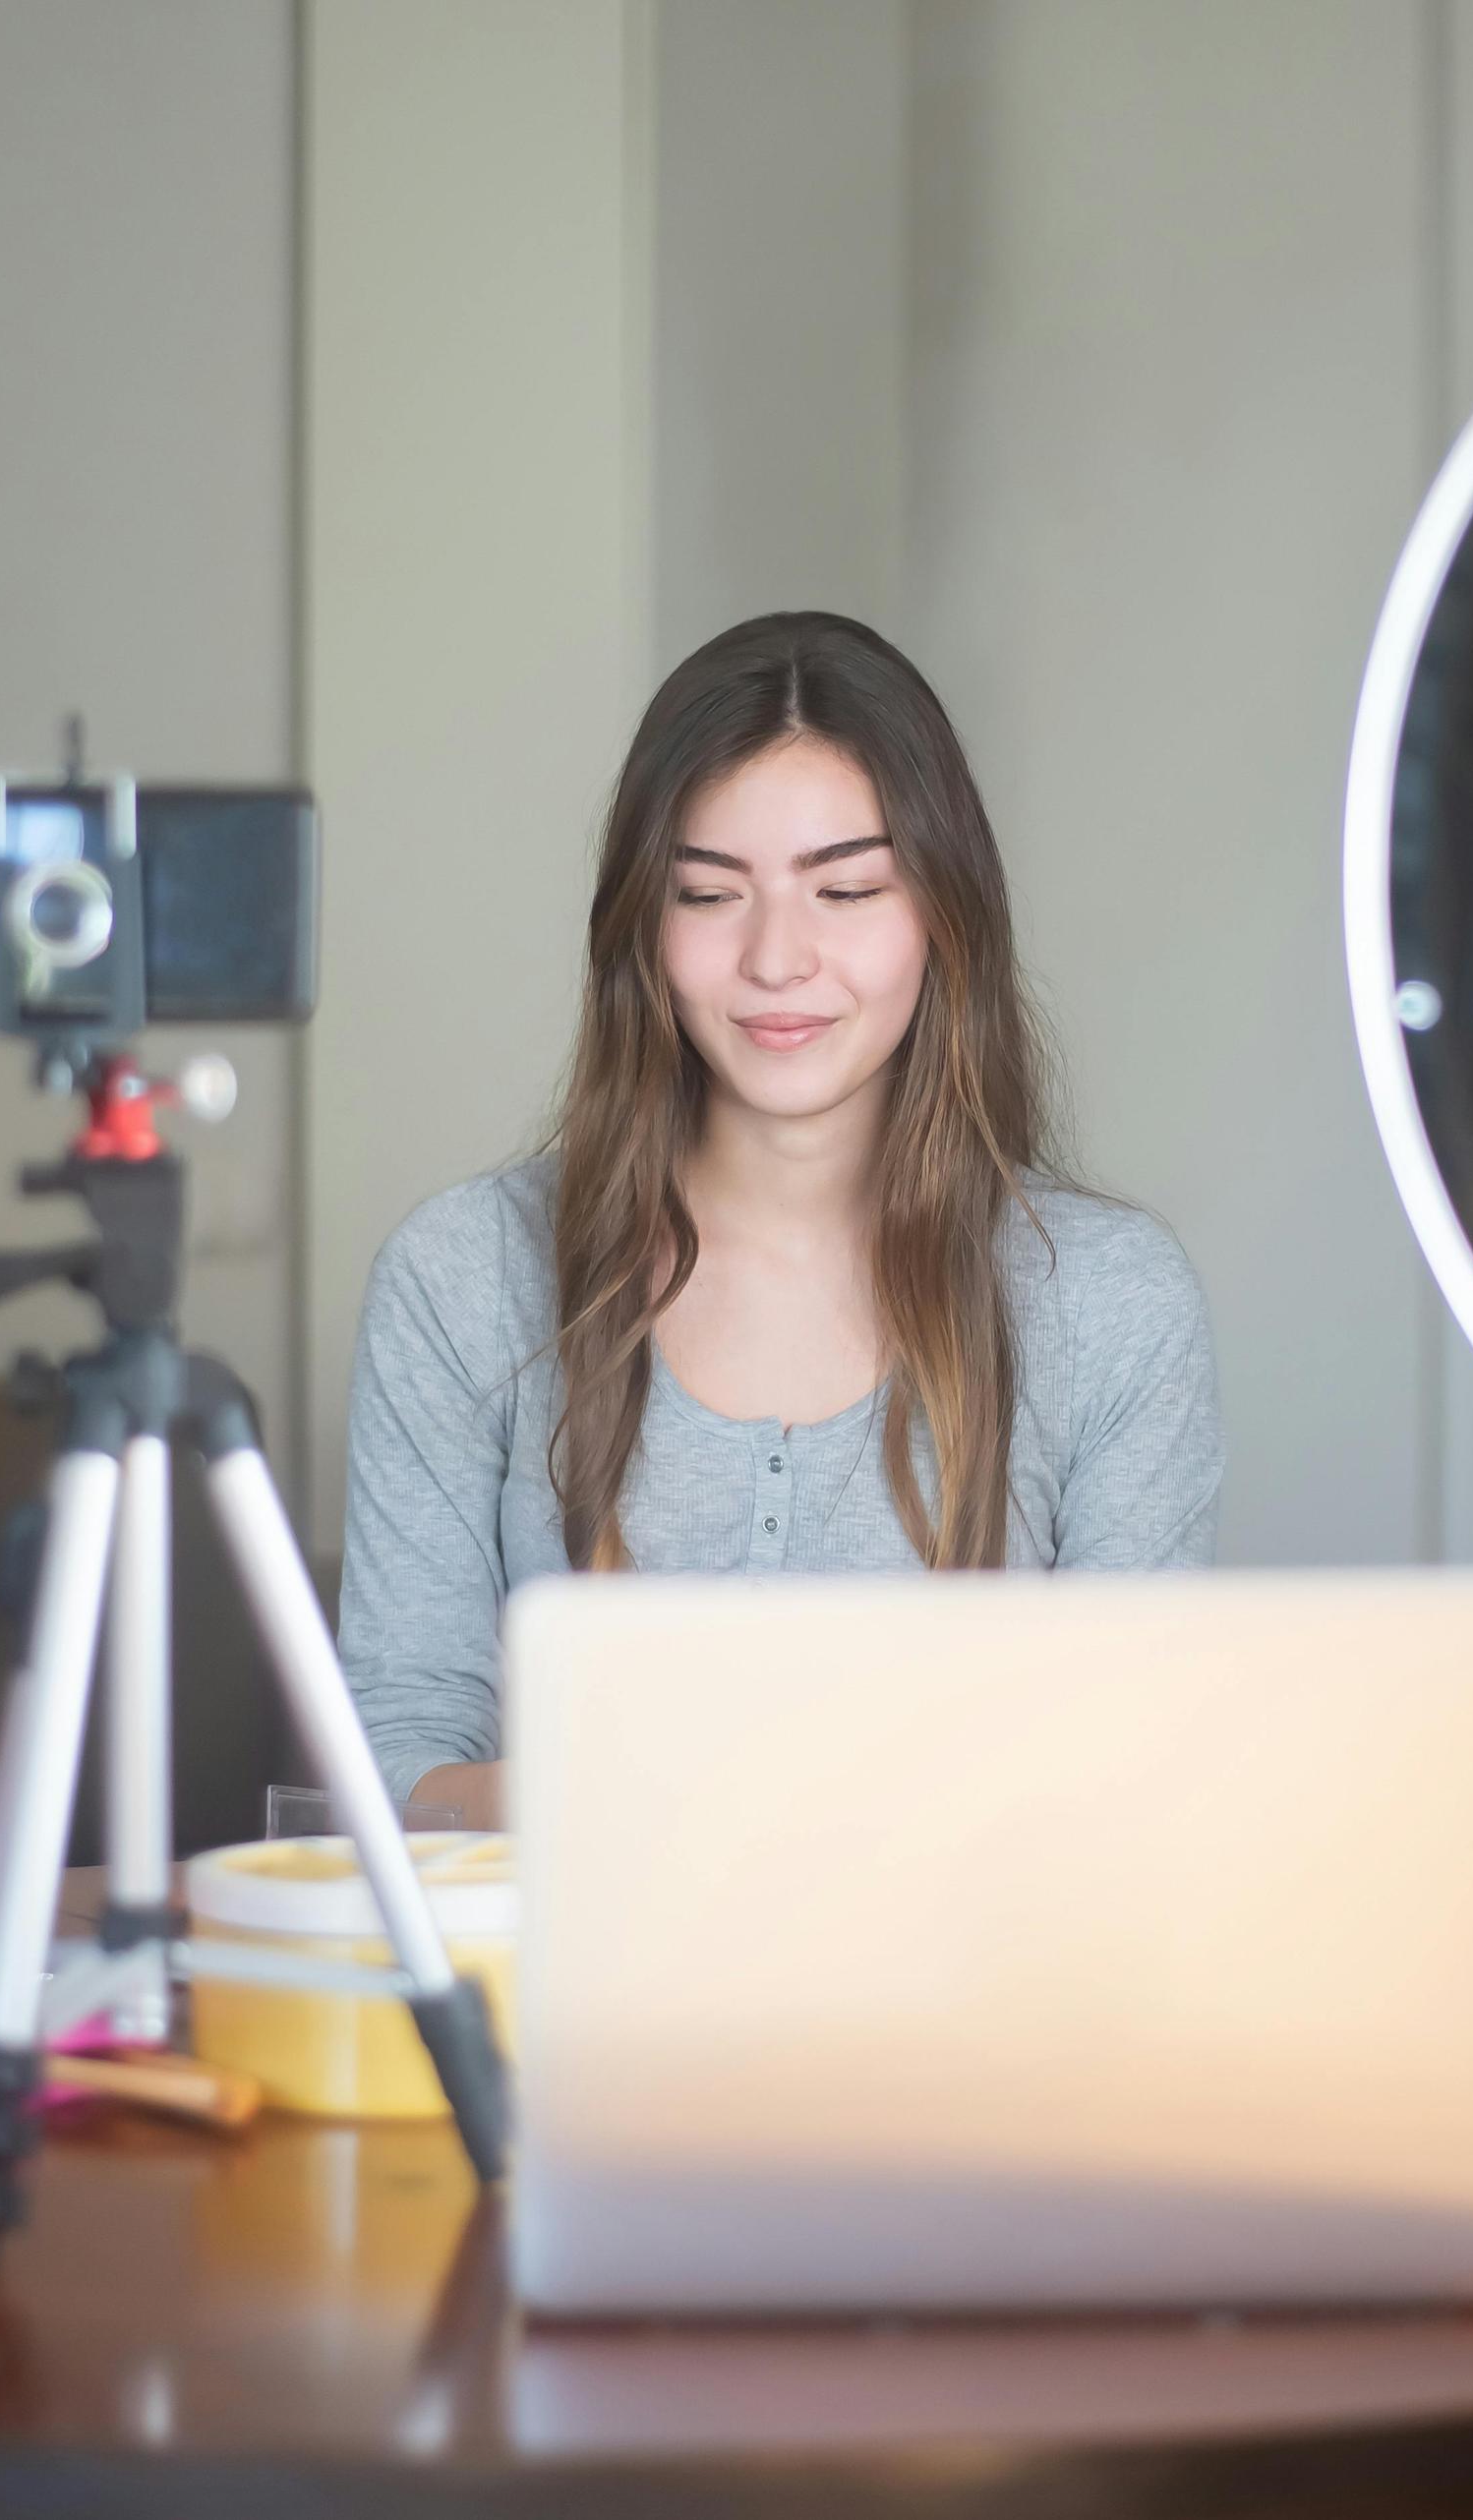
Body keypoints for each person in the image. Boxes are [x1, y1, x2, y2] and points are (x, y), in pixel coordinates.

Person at [337, 613, 1220, 1824]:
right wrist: (689, 1791)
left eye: (847, 888)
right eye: (710, 893)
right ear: (643, 927)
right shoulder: (462, 1276)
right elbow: (394, 1771)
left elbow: (1134, 1782)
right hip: (572, 2004)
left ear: (944, 916)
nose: (776, 958)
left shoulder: (1111, 1300)